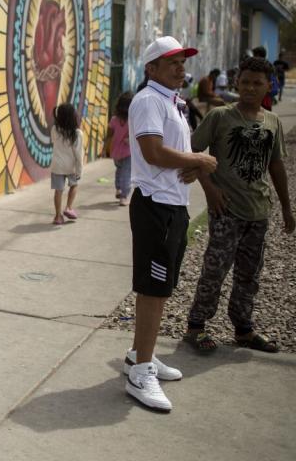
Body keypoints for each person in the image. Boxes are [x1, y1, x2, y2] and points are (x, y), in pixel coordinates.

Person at [124, 36, 218, 412]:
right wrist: (198, 159)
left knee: (160, 287)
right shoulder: (148, 100)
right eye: (172, 62)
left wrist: (192, 166)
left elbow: (167, 154)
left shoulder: (171, 102)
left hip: (172, 206)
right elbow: (153, 151)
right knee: (154, 289)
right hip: (155, 208)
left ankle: (139, 355)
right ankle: (140, 373)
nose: (181, 67)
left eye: (182, 61)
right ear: (152, 68)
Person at [183, 56, 294, 354]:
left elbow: (276, 165)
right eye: (245, 81)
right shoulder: (220, 117)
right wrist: (209, 190)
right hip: (226, 210)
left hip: (258, 212)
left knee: (249, 274)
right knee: (215, 270)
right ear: (236, 83)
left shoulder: (272, 122)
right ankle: (196, 326)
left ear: (268, 86)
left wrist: (285, 206)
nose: (249, 88)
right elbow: (192, 153)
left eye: (257, 83)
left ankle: (243, 330)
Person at [50, 102, 82, 225]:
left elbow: (54, 141)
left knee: (58, 190)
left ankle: (58, 216)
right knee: (74, 185)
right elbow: (79, 155)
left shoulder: (54, 129)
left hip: (57, 165)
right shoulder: (77, 134)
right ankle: (68, 208)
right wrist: (80, 170)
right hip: (71, 166)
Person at [104, 92, 133, 206]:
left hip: (115, 152)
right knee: (127, 173)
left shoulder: (114, 119)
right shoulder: (132, 120)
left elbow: (109, 135)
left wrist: (104, 148)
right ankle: (124, 196)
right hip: (127, 151)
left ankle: (118, 189)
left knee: (119, 170)